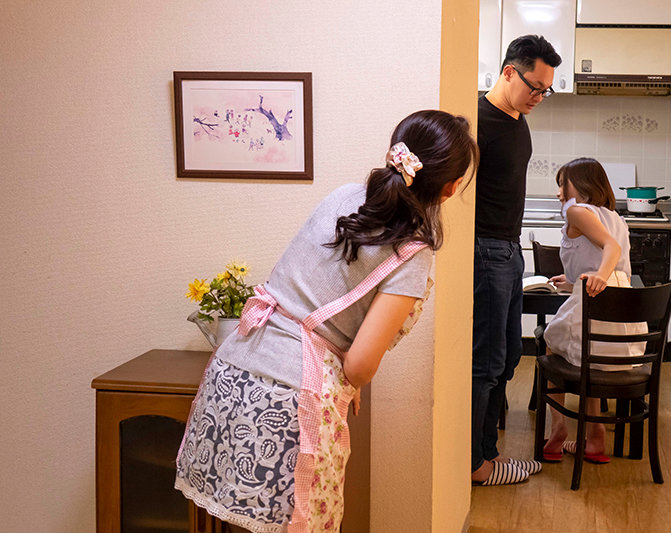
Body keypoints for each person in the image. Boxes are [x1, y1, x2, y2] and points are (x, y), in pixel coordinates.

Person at [174, 110, 478, 533]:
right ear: (450, 188)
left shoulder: (344, 195)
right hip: (287, 401)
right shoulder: (412, 251)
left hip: (232, 370)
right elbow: (359, 366)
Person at [471, 34, 562, 486]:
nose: (539, 98)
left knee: (508, 358)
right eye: (534, 87)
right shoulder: (476, 121)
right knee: (486, 364)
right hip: (484, 252)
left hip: (509, 251)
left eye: (546, 91)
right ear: (509, 72)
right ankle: (475, 465)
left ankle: (488, 454)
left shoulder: (517, 119)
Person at [541, 157, 644, 464]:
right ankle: (595, 437)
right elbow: (611, 262)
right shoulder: (616, 217)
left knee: (551, 342)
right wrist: (573, 282)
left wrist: (598, 276)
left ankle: (558, 428)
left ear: (580, 185)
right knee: (590, 354)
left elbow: (611, 248)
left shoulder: (576, 210)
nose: (559, 192)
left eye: (563, 184)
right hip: (625, 328)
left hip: (596, 301)